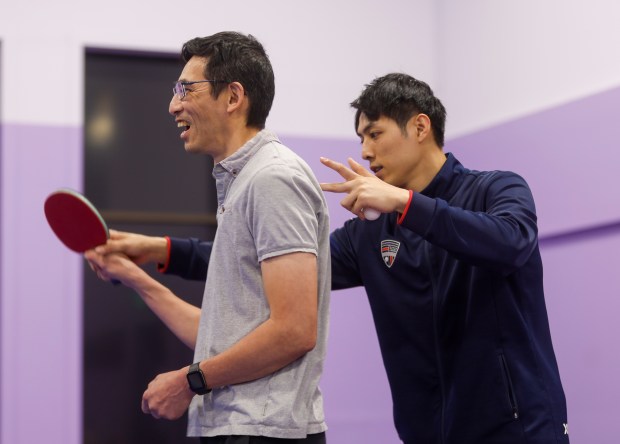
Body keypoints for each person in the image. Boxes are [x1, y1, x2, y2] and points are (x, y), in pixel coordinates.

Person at [95, 73, 570, 444]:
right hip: (427, 434)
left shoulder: (498, 189)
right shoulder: (371, 235)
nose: (364, 150)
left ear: (420, 126)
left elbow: (509, 242)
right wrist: (160, 251)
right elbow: (265, 259)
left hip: (519, 431)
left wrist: (403, 204)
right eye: (361, 137)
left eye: (375, 134)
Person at [85, 31, 331, 444]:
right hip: (235, 428)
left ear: (233, 97)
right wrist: (134, 277)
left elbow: (294, 330)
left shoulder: (273, 178)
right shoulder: (243, 182)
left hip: (264, 433)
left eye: (186, 89)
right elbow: (219, 335)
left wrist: (189, 380)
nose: (173, 104)